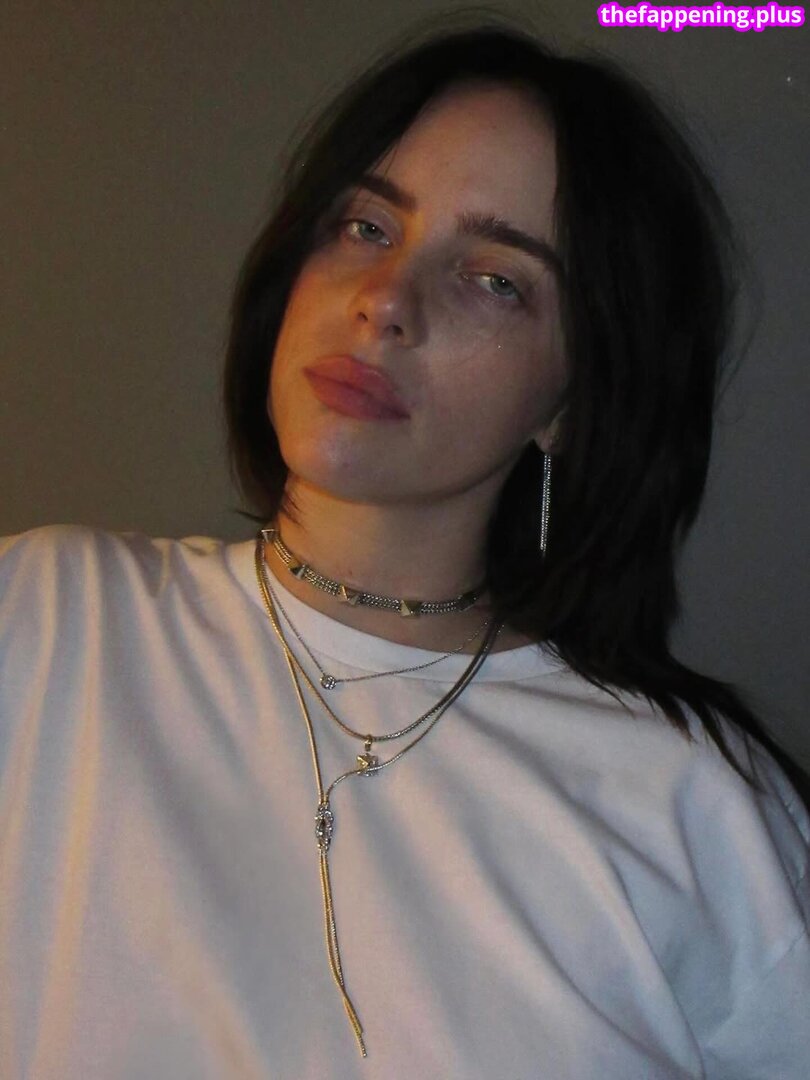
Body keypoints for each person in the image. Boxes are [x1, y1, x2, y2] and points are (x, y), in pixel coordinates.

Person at [1, 21, 808, 1080]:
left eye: (496, 279)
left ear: (570, 401)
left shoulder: (694, 802)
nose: (384, 300)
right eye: (366, 225)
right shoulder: (46, 622)